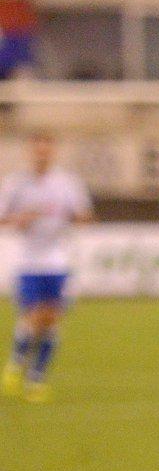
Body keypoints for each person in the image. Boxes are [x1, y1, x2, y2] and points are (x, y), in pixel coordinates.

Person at [2, 133, 94, 403]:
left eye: (47, 147)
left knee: (51, 320)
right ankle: (17, 361)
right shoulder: (15, 183)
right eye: (37, 147)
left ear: (52, 151)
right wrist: (22, 218)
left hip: (57, 260)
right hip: (29, 261)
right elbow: (3, 217)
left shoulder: (67, 183)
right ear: (31, 151)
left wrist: (74, 218)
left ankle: (36, 379)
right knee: (34, 316)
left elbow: (85, 216)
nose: (42, 152)